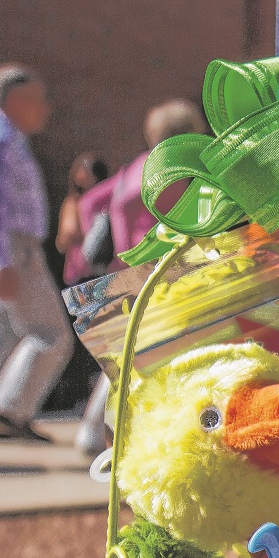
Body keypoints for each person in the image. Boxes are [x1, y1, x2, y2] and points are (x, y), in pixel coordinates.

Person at [74, 99, 206, 456]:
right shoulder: (185, 166)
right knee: (149, 354)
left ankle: (91, 433)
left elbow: (88, 204)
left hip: (125, 274)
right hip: (169, 273)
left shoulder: (133, 169)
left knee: (124, 354)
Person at [0, 63, 73, 442]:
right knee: (51, 335)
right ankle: (5, 410)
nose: (45, 108)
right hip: (9, 244)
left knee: (1, 335)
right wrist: (0, 260)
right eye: (38, 100)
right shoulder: (0, 141)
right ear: (15, 101)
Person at [56, 152, 110, 286]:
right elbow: (66, 239)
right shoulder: (74, 203)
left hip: (87, 269)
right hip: (90, 270)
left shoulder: (76, 203)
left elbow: (67, 236)